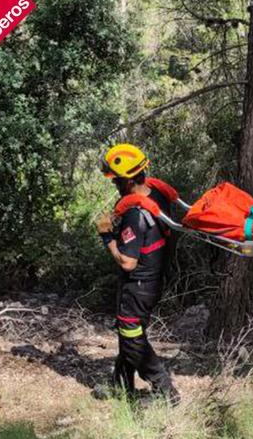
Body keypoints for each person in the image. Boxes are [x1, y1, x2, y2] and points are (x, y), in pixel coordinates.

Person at [95, 143, 180, 404]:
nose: (114, 185)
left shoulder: (135, 214)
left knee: (131, 337)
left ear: (129, 180)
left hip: (139, 283)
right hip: (153, 280)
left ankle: (166, 392)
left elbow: (127, 262)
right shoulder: (157, 196)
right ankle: (120, 386)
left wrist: (106, 234)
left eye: (117, 180)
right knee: (128, 332)